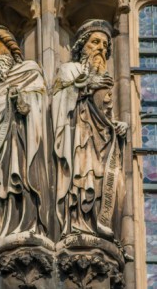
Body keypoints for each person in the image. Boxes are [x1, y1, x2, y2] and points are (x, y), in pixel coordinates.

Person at [0, 26, 49, 254]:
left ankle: (25, 227)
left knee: (20, 186)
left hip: (19, 147)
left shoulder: (29, 70)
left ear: (10, 47)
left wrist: (21, 102)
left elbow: (39, 109)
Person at [52, 20, 128, 240]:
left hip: (103, 145)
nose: (101, 49)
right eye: (95, 42)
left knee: (114, 184)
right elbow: (60, 102)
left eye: (105, 45)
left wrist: (117, 126)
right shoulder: (70, 70)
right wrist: (87, 85)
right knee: (85, 182)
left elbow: (105, 117)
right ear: (82, 46)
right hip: (80, 141)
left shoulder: (105, 80)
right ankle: (79, 225)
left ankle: (103, 231)